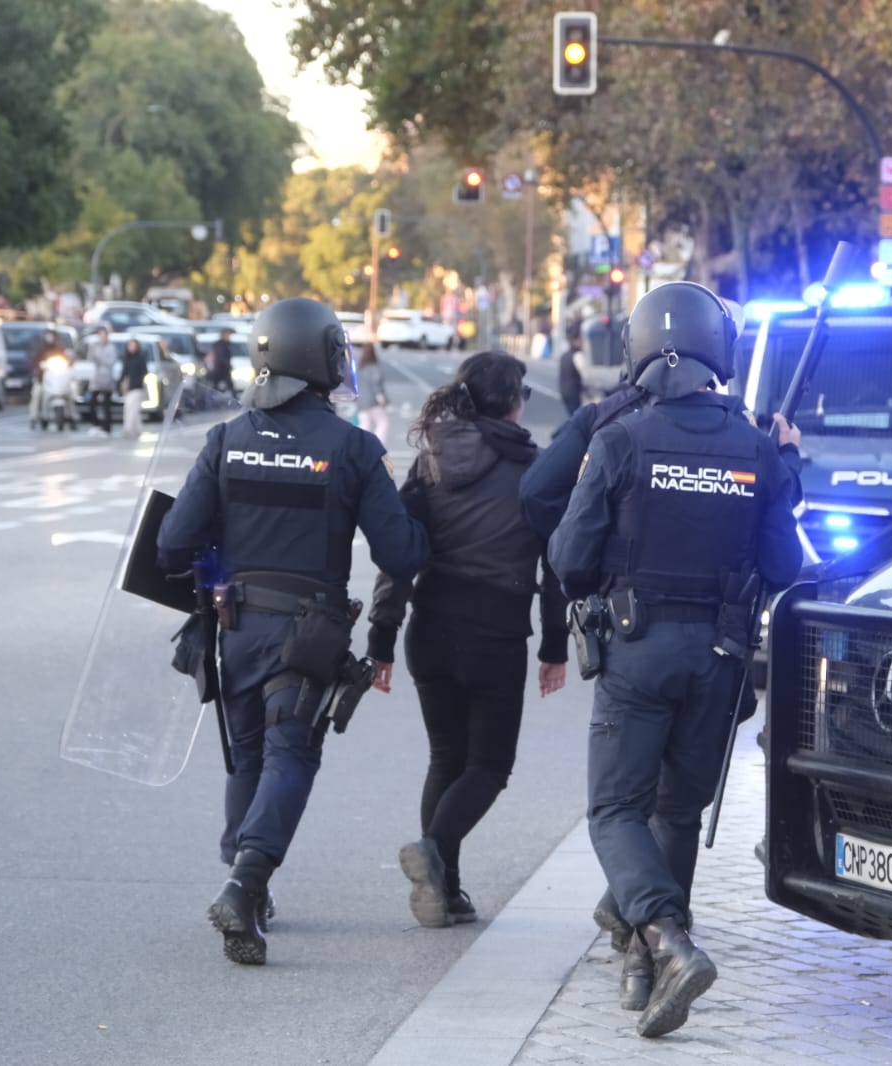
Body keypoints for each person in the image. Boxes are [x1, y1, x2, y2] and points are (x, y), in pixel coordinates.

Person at [549, 281, 802, 1039]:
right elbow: (784, 566)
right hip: (720, 659)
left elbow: (569, 557)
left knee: (616, 811)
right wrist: (787, 470)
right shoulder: (758, 449)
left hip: (638, 653)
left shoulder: (621, 441)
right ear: (716, 353)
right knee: (677, 812)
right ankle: (645, 967)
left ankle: (663, 939)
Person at [155, 296, 429, 967]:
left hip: (236, 627)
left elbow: (170, 546)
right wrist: (418, 513)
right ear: (318, 360)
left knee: (248, 756)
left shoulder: (225, 438)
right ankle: (246, 883)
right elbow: (402, 556)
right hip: (306, 636)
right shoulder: (353, 449)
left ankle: (248, 885)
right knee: (291, 757)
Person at [366, 351, 568, 929]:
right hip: (495, 630)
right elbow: (554, 566)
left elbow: (401, 556)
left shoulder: (430, 457)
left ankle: (445, 892)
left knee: (446, 758)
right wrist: (554, 647)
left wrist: (382, 637)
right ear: (512, 401)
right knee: (488, 766)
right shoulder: (535, 468)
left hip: (429, 626)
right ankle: (434, 851)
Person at [355, 342, 390, 446]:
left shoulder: (360, 366)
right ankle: (378, 445)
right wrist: (381, 399)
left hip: (361, 401)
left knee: (364, 423)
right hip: (373, 401)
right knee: (383, 422)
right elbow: (376, 383)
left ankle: (359, 444)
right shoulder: (374, 367)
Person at [29, 329, 65, 429]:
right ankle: (33, 417)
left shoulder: (59, 349)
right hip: (42, 379)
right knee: (36, 395)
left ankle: (73, 417)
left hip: (56, 380)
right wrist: (39, 366)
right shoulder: (41, 350)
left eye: (51, 336)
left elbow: (66, 361)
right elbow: (35, 362)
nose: (49, 338)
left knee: (70, 393)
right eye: (48, 336)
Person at [86, 327, 117, 434]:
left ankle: (107, 427)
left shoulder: (111, 347)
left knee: (106, 405)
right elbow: (90, 359)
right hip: (96, 379)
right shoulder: (95, 346)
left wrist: (99, 359)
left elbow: (110, 362)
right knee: (92, 403)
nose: (102, 337)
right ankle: (96, 424)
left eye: (104, 335)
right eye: (100, 335)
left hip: (107, 379)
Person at [117, 337, 149, 439]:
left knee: (132, 409)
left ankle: (129, 429)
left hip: (137, 387)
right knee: (131, 409)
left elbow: (144, 371)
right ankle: (137, 429)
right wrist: (119, 383)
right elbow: (124, 372)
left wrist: (138, 380)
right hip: (129, 388)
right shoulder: (126, 358)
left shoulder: (140, 358)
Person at [557, 321, 584, 416]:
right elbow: (587, 375)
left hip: (564, 392)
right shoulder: (577, 355)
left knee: (573, 417)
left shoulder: (564, 355)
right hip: (574, 394)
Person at [206, 329, 236, 395]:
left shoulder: (225, 344)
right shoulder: (220, 345)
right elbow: (221, 357)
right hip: (220, 368)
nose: (228, 337)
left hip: (221, 368)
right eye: (227, 335)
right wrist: (228, 365)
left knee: (220, 385)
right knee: (219, 384)